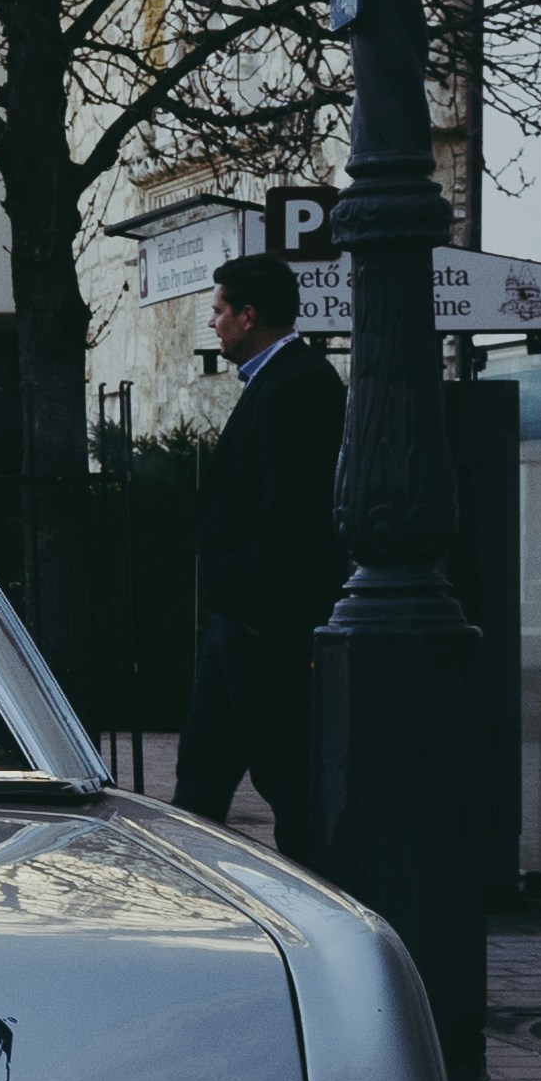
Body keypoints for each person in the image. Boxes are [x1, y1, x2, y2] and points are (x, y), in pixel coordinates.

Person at [180, 252, 345, 863]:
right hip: (240, 618)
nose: (214, 323)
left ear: (248, 316)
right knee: (204, 760)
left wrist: (257, 611)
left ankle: (316, 884)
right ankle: (190, 876)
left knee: (282, 768)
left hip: (261, 625)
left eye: (220, 310)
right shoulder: (280, 381)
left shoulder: (298, 384)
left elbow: (294, 510)